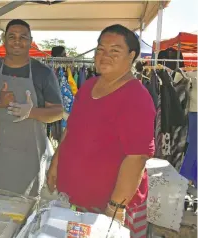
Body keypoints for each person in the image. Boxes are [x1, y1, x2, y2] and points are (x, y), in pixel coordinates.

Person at [46, 24, 155, 238]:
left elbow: (137, 158)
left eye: (114, 51)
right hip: (75, 200)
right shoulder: (88, 86)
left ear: (132, 56)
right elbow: (71, 131)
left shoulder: (136, 97)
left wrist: (116, 207)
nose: (104, 56)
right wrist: (56, 163)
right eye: (100, 49)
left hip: (108, 208)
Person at [0, 19, 63, 196]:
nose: (17, 41)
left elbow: (57, 113)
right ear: (3, 39)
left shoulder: (43, 73)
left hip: (27, 158)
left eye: (23, 37)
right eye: (12, 36)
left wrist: (32, 112)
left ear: (31, 41)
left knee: (23, 209)